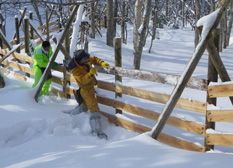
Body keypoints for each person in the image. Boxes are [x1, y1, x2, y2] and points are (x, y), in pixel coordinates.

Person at [66, 50, 109, 139]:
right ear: (79, 59)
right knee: (94, 109)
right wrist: (90, 74)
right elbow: (82, 81)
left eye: (87, 58)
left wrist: (102, 63)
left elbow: (93, 59)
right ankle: (97, 132)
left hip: (90, 87)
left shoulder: (84, 60)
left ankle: (70, 115)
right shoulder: (75, 69)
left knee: (84, 107)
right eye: (84, 59)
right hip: (85, 89)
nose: (87, 60)